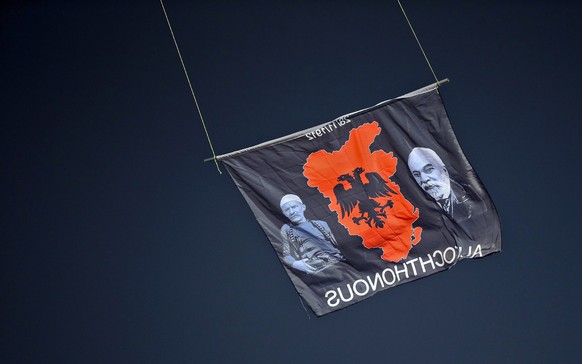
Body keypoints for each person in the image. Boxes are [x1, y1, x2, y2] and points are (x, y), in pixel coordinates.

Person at [407, 147, 479, 220]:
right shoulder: (418, 209)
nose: (424, 179)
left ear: (444, 170)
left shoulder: (471, 195)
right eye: (417, 175)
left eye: (429, 170)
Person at [279, 194, 345, 274]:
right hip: (315, 266)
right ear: (284, 213)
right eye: (287, 210)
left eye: (294, 207)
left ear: (303, 207)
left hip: (336, 261)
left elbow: (337, 244)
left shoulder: (321, 224)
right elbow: (286, 255)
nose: (292, 212)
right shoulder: (286, 229)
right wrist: (296, 264)